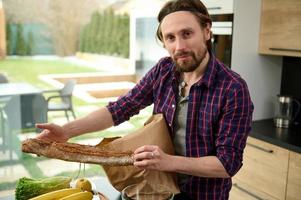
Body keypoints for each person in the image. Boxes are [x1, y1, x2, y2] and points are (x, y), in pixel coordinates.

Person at [36, 0, 254, 199]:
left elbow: (227, 164)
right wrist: (66, 131)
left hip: (202, 194)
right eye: (170, 38)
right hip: (157, 189)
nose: (179, 47)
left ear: (207, 31)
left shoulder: (233, 89)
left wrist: (167, 162)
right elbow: (120, 109)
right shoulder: (164, 70)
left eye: (187, 34)